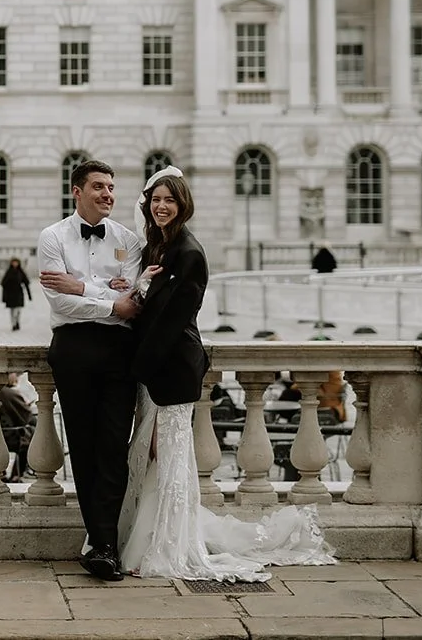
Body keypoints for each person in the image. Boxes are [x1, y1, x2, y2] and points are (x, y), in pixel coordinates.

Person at [118, 169, 335, 581]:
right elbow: (149, 310)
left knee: (169, 460)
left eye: (170, 200)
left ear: (183, 204)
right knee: (151, 457)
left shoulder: (189, 252)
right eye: (156, 200)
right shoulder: (157, 247)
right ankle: (147, 539)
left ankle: (169, 545)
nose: (161, 206)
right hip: (152, 369)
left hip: (171, 368)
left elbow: (173, 321)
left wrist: (137, 367)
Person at [37, 159, 143, 581]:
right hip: (74, 347)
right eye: (99, 186)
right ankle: (102, 543)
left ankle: (105, 545)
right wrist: (110, 300)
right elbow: (59, 302)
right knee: (82, 446)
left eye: (112, 187)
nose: (108, 194)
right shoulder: (52, 237)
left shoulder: (129, 240)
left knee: (115, 446)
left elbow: (134, 302)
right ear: (76, 191)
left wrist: (82, 287)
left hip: (120, 350)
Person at [0, 257, 32, 331]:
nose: (15, 264)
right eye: (13, 262)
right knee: (12, 310)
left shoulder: (21, 272)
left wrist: (29, 295)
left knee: (18, 310)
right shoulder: (9, 272)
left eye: (16, 262)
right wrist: (4, 297)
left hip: (19, 293)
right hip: (10, 294)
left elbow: (26, 283)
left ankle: (17, 321)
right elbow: (4, 284)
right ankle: (13, 324)